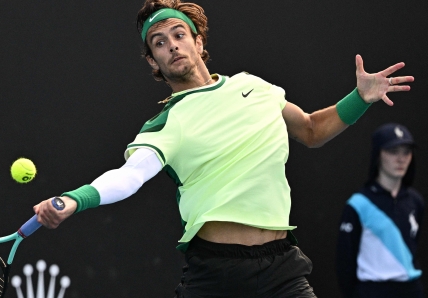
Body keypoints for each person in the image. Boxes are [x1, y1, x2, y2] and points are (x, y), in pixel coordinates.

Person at [34, 0, 414, 296]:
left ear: (198, 41)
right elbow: (129, 176)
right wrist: (74, 199)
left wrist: (360, 98)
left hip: (282, 268)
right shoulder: (166, 123)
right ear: (153, 61)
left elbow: (312, 129)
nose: (172, 46)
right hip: (215, 275)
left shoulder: (255, 86)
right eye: (159, 43)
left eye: (179, 35)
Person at [336, 123, 424, 298]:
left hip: (411, 290)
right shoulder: (358, 204)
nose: (401, 159)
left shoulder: (416, 201)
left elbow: (413, 247)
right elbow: (344, 262)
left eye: (406, 152)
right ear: (378, 154)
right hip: (372, 291)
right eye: (393, 151)